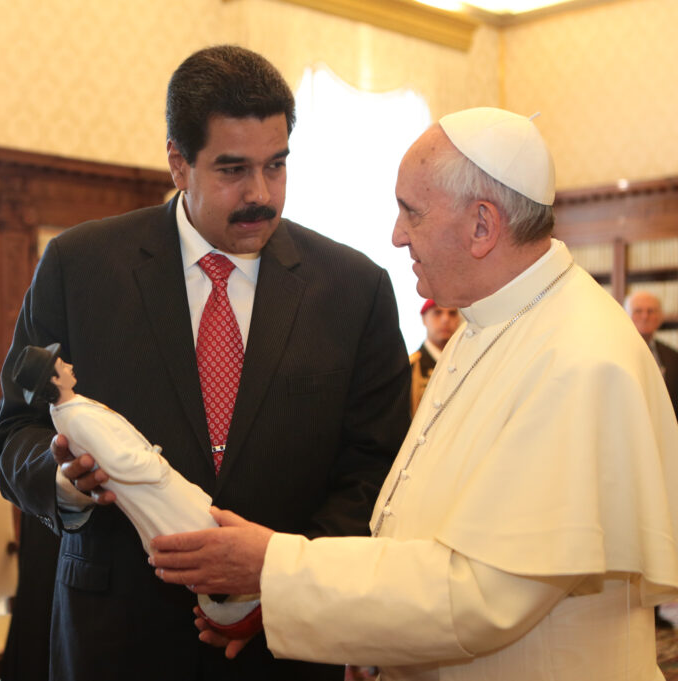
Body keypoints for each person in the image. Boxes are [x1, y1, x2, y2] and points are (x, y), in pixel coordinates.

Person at [149, 107, 678, 680]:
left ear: (482, 226)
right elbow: (420, 534)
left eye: (411, 212)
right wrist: (352, 634)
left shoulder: (581, 360)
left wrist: (272, 567)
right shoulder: (488, 321)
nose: (397, 235)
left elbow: (480, 598)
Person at [0, 45, 410, 681]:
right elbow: (14, 431)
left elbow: (374, 468)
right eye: (233, 170)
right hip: (116, 638)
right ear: (178, 162)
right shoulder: (80, 267)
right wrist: (66, 482)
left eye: (277, 165)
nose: (261, 194)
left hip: (281, 642)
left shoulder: (355, 289)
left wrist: (281, 582)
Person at [11, 342, 263, 635]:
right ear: (54, 380)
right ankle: (221, 593)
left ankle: (225, 593)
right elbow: (115, 459)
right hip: (147, 495)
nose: (69, 365)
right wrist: (153, 463)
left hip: (153, 485)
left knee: (194, 525)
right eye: (61, 365)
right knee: (191, 530)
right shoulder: (76, 417)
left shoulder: (73, 408)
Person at [626, 289, 678, 630]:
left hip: (665, 454)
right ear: (628, 314)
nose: (645, 317)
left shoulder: (672, 355)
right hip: (631, 452)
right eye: (639, 311)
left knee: (665, 522)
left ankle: (662, 601)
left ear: (660, 316)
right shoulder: (618, 350)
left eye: (651, 311)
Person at [409, 299, 460, 415]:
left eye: (452, 313)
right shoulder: (410, 368)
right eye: (437, 312)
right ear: (424, 319)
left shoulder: (466, 363)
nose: (445, 319)